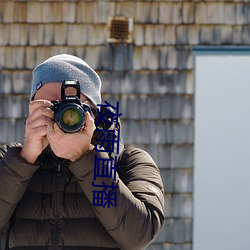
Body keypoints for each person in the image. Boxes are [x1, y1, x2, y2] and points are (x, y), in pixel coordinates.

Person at [0, 54, 164, 250]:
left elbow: (138, 235)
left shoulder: (129, 162)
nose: (59, 116)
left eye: (70, 107)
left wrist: (85, 158)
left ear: (93, 111)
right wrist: (24, 160)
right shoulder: (9, 159)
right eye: (49, 107)